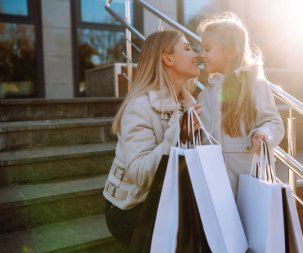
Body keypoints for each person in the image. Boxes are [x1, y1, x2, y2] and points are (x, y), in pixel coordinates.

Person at [103, 30, 201, 245]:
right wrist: (176, 135)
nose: (196, 54)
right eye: (187, 48)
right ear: (168, 59)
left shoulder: (189, 104)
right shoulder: (139, 106)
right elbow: (140, 173)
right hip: (131, 209)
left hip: (166, 199)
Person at [197, 12, 285, 196]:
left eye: (207, 49)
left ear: (229, 51)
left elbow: (274, 123)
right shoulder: (206, 94)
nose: (202, 55)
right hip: (214, 183)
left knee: (248, 223)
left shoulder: (256, 85)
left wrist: (263, 133)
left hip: (249, 180)